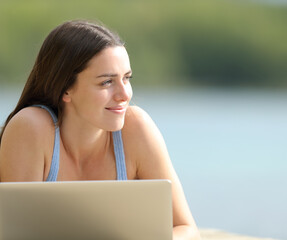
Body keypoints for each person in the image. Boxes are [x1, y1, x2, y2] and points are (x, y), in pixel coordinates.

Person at [0, 20, 201, 240]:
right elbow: (16, 234)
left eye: (127, 78)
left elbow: (186, 229)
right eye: (106, 82)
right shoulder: (31, 128)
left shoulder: (137, 128)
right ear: (65, 89)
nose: (124, 95)